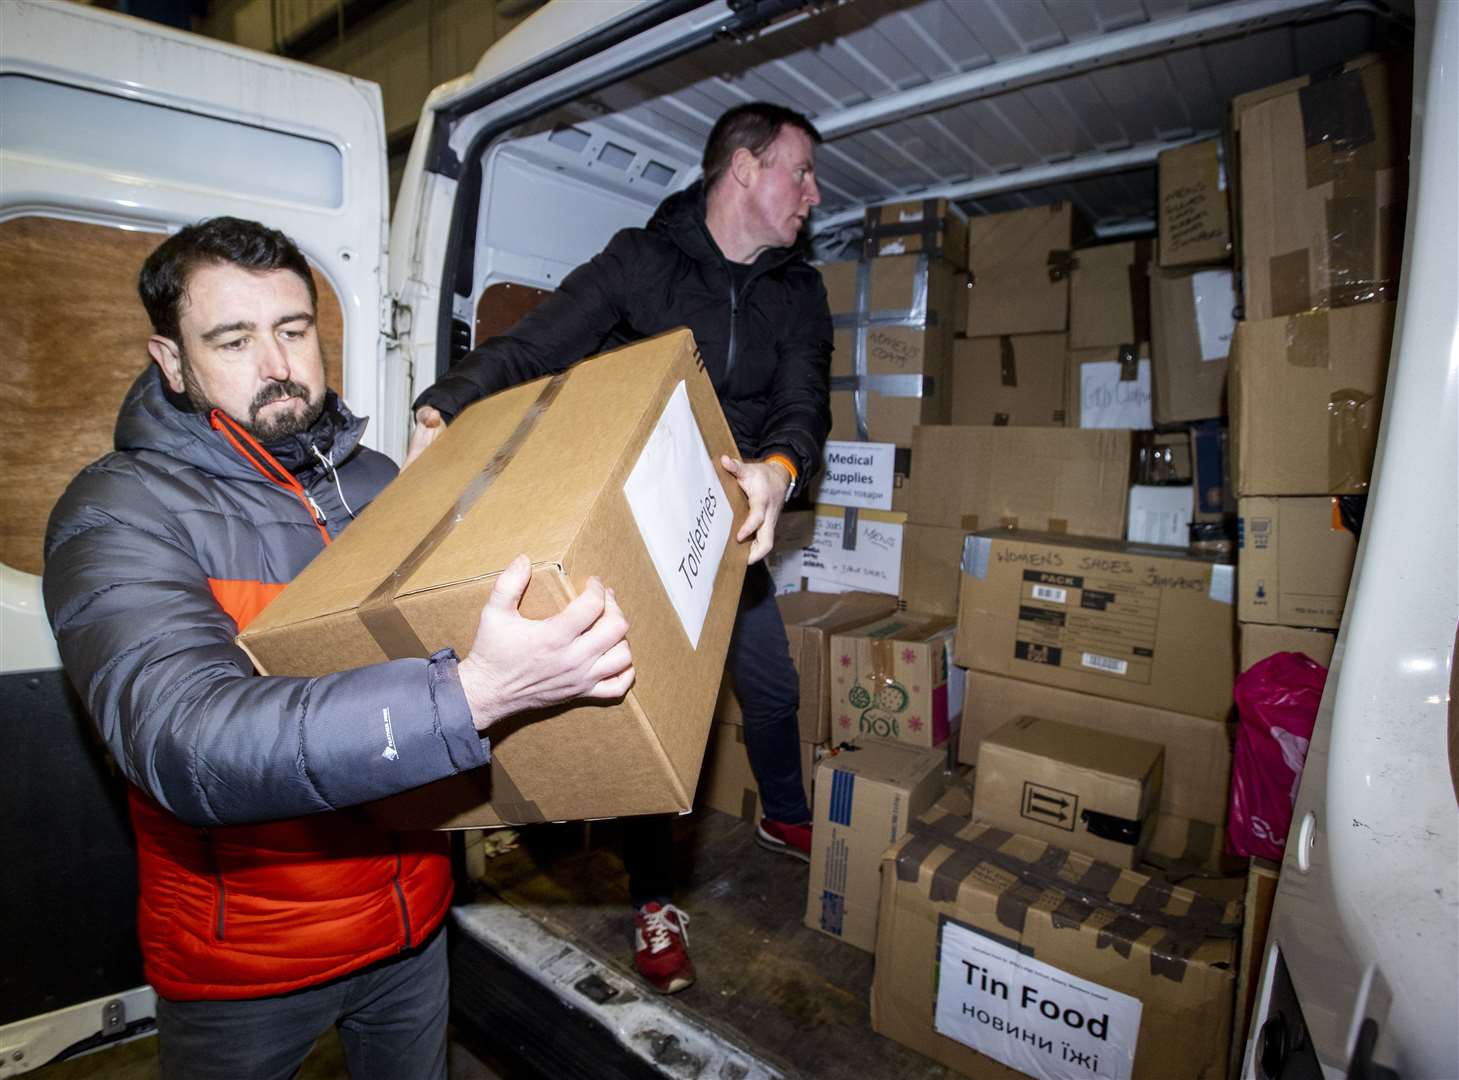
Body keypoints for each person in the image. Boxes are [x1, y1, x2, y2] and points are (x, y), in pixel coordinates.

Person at [41, 217, 634, 1080]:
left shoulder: (380, 482)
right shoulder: (119, 511)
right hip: (248, 966)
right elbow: (186, 742)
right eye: (233, 339)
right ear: (170, 360)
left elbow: (457, 632)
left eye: (292, 330)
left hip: (414, 925)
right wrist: (468, 698)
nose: (277, 364)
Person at [407, 102, 832, 995]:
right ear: (744, 169)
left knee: (770, 682)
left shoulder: (799, 291)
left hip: (738, 524)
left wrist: (778, 470)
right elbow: (534, 346)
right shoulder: (639, 260)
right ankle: (652, 899)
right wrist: (445, 405)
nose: (812, 193)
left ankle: (784, 813)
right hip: (642, 520)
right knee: (647, 708)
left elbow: (805, 402)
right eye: (799, 171)